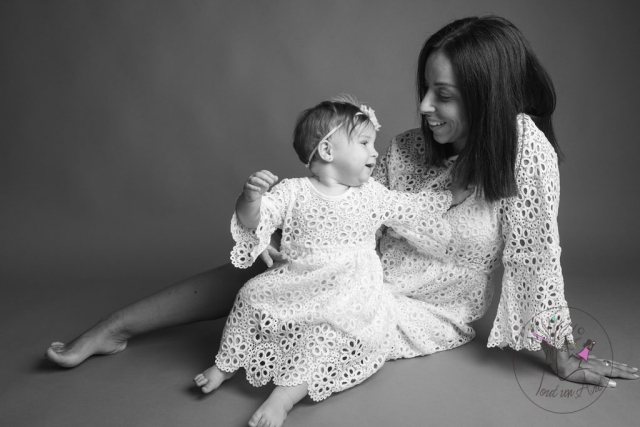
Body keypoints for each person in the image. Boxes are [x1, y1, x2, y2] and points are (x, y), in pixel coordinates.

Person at [46, 14, 637, 406]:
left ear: (488, 97)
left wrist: (563, 354)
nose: (425, 107)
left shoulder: (524, 151)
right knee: (281, 274)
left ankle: (274, 391)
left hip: (422, 310)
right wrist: (292, 231)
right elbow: (347, 214)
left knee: (325, 314)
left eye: (446, 95)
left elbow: (536, 259)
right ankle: (115, 328)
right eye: (424, 88)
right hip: (357, 269)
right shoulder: (406, 149)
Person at [192, 96, 471, 427]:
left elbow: (411, 207)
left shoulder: (370, 194)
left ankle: (282, 398)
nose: (375, 153)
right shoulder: (293, 191)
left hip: (349, 290)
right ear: (327, 151)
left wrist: (452, 195)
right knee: (251, 296)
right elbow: (255, 221)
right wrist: (249, 199)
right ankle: (226, 364)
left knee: (327, 332)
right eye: (365, 143)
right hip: (301, 278)